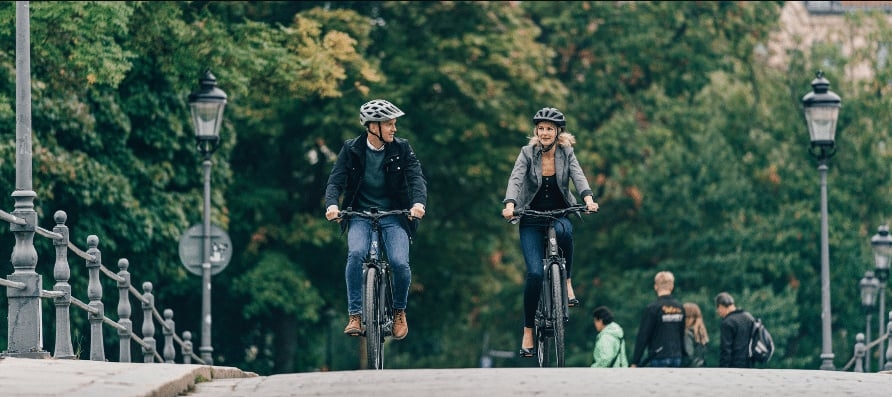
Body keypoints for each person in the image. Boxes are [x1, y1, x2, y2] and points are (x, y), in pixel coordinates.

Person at [324, 99, 428, 340]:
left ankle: (399, 312)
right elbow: (335, 181)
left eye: (394, 124)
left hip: (394, 215)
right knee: (356, 254)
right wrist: (332, 205)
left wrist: (418, 204)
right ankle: (355, 315)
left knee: (399, 263)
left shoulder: (402, 148)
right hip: (359, 215)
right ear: (373, 127)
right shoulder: (351, 149)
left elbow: (416, 178)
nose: (394, 129)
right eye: (389, 124)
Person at [501, 107, 599, 358]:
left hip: (559, 213)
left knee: (565, 233)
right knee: (534, 274)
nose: (544, 133)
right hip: (531, 218)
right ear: (536, 131)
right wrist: (510, 204)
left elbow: (578, 176)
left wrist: (588, 199)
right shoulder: (527, 153)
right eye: (541, 128)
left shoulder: (566, 152)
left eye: (549, 129)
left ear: (558, 132)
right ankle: (528, 331)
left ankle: (567, 281)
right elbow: (516, 179)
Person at [629, 271, 685, 367]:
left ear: (656, 286)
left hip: (658, 356)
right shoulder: (679, 307)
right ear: (672, 286)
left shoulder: (653, 308)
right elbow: (681, 333)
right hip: (676, 356)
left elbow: (643, 336)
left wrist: (635, 361)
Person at [714, 292, 755, 368]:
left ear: (721, 306)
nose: (718, 311)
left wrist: (723, 369)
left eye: (718, 308)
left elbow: (726, 350)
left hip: (734, 366)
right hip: (749, 364)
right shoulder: (749, 317)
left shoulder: (727, 322)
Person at [682, 302, 709, 367]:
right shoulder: (701, 334)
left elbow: (689, 355)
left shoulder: (687, 334)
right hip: (701, 367)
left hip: (690, 368)